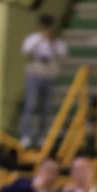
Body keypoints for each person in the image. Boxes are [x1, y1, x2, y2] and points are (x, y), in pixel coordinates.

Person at [19, 15, 67, 146]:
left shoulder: (57, 42)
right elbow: (26, 51)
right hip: (35, 71)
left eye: (49, 26)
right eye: (45, 26)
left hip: (49, 73)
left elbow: (62, 57)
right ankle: (25, 135)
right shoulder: (33, 38)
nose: (47, 29)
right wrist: (40, 40)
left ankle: (41, 136)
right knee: (31, 104)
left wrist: (52, 43)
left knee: (46, 107)